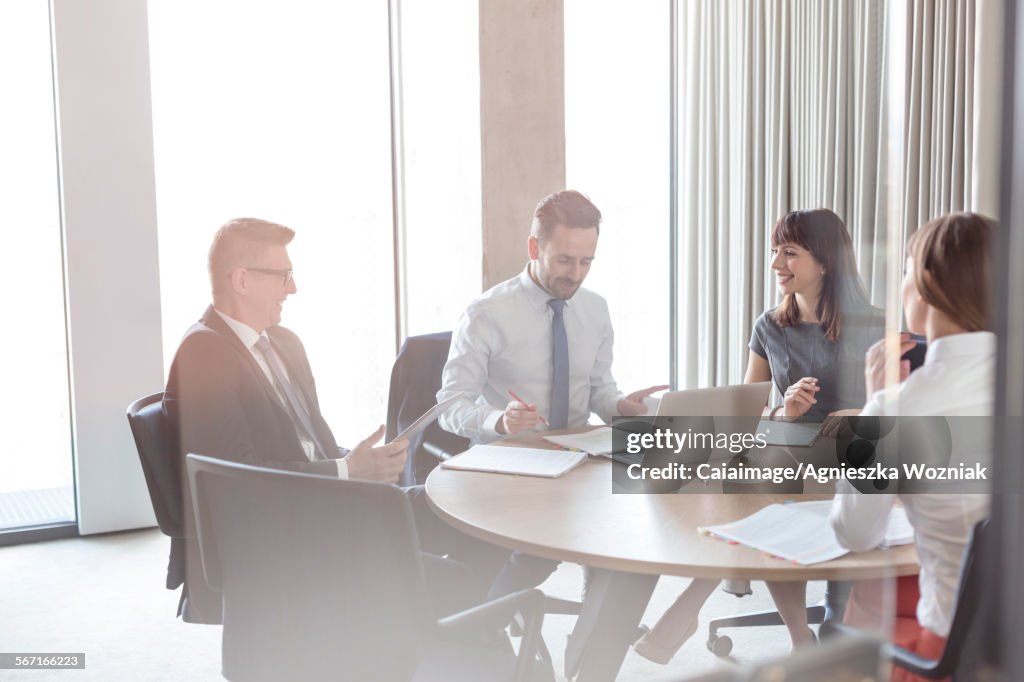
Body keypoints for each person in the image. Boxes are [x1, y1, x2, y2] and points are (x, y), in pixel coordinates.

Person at [164, 217, 504, 622]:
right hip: (288, 532)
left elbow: (311, 443)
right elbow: (235, 481)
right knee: (457, 580)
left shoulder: (284, 343)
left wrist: (362, 462)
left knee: (469, 512)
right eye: (283, 276)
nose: (292, 288)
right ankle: (458, 633)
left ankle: (452, 629)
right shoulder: (204, 352)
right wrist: (346, 470)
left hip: (331, 503)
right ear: (241, 280)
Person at [634, 208, 884, 663]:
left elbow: (897, 406)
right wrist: (784, 408)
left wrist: (861, 410)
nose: (776, 264)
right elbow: (749, 405)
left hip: (850, 456)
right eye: (775, 252)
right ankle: (798, 641)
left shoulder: (873, 325)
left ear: (825, 262)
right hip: (788, 449)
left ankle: (688, 606)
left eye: (789, 253)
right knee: (754, 480)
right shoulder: (770, 325)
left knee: (762, 489)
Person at [437, 189, 667, 596]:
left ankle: (594, 650)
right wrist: (498, 420)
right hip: (511, 463)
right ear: (534, 246)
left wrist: (619, 405)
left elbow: (598, 389)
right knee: (545, 541)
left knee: (641, 530)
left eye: (586, 261)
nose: (575, 274)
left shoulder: (595, 309)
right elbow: (450, 406)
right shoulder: (486, 314)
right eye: (564, 259)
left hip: (578, 461)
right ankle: (484, 621)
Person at [830, 213, 994, 682]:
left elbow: (855, 534)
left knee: (860, 594)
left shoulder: (900, 406)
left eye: (904, 270)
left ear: (924, 286)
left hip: (954, 655)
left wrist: (873, 411)